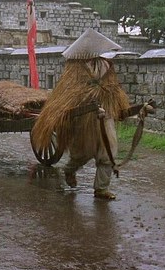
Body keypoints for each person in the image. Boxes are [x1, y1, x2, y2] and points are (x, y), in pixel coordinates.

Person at [31, 29, 151, 200]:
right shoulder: (75, 67)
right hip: (83, 118)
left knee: (109, 152)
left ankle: (101, 189)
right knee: (82, 153)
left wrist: (131, 108)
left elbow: (114, 90)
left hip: (106, 115)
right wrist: (88, 99)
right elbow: (70, 93)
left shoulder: (107, 65)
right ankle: (69, 170)